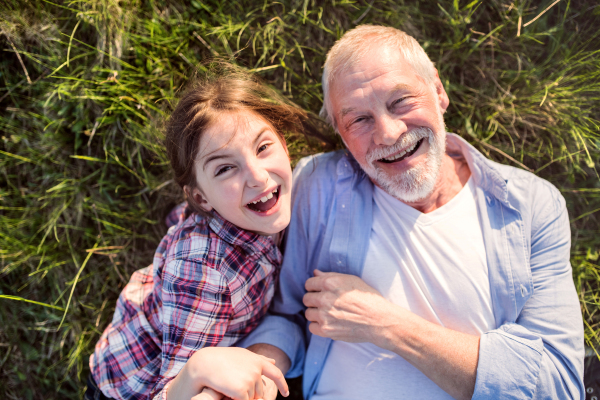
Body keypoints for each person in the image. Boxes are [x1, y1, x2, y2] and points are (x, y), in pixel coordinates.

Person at [240, 25, 585, 399]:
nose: (387, 134)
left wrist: (386, 325)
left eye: (400, 101)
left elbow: (558, 385)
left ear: (438, 91)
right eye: (359, 120)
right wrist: (255, 373)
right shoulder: (317, 185)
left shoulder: (530, 205)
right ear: (340, 132)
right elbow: (288, 316)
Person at [88, 64, 305, 400]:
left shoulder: (262, 206)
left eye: (263, 148)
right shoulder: (205, 274)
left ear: (284, 145)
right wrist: (198, 368)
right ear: (202, 198)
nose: (258, 177)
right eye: (225, 168)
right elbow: (173, 390)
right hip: (131, 386)